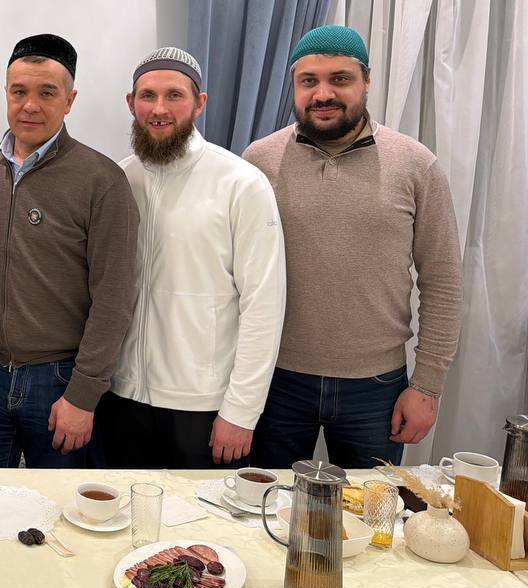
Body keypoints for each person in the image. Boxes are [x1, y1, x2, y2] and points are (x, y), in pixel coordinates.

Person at [244, 25, 463, 468]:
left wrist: (427, 387)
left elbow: (442, 281)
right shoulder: (258, 161)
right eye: (308, 81)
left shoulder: (415, 165)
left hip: (376, 387)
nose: (323, 93)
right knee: (265, 503)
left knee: (374, 508)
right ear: (294, 86)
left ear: (366, 81)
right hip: (274, 380)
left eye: (340, 79)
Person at [102, 47, 285, 468]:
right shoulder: (118, 179)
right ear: (131, 103)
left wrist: (241, 411)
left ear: (199, 103)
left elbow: (264, 305)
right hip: (122, 398)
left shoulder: (241, 184)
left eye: (174, 95)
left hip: (204, 407)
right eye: (147, 96)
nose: (159, 109)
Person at [0, 34, 138, 468]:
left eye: (47, 93)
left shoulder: (102, 180)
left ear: (69, 100)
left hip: (59, 380)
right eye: (19, 92)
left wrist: (84, 394)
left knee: (61, 506)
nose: (30, 106)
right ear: (6, 93)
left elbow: (114, 299)